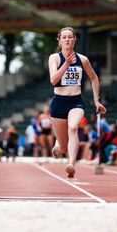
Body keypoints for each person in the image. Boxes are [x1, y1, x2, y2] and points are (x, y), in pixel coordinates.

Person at [48, 27, 106, 178]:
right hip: (59, 102)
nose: (67, 39)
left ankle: (71, 164)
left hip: (76, 102)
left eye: (70, 37)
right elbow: (53, 80)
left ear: (74, 40)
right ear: (60, 40)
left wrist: (96, 101)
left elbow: (94, 78)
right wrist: (66, 65)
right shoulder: (54, 58)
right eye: (64, 37)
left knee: (73, 128)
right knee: (62, 148)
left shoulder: (83, 59)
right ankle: (58, 144)